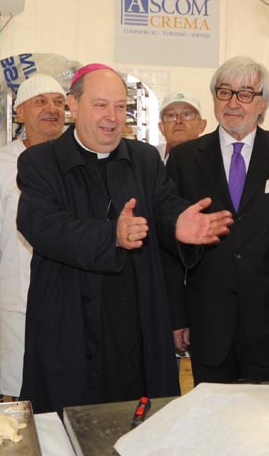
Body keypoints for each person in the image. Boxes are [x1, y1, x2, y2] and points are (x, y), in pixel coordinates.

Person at [17, 64, 233, 414]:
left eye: (120, 107)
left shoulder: (144, 159)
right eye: (101, 105)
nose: (112, 117)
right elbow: (40, 225)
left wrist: (178, 223)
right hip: (70, 322)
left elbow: (163, 205)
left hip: (136, 322)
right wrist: (110, 236)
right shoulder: (40, 162)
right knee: (68, 428)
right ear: (74, 105)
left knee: (140, 422)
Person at [166, 56, 269, 384]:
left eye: (245, 94)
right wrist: (176, 316)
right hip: (208, 323)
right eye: (224, 92)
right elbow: (169, 247)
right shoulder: (184, 159)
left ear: (262, 104)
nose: (233, 103)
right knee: (213, 414)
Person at [0, 72, 66, 400]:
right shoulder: (1, 163)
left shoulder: (77, 156)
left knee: (65, 384)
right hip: (15, 295)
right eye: (41, 102)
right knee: (18, 389)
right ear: (20, 111)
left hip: (69, 296)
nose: (52, 109)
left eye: (59, 102)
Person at [158, 92, 207, 160]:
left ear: (201, 125)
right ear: (162, 128)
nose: (178, 121)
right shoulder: (150, 159)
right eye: (171, 115)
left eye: (187, 114)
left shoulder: (215, 157)